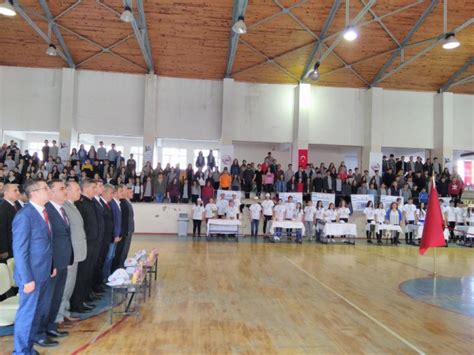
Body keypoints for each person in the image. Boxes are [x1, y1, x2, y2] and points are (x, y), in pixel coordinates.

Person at [12, 179, 55, 353]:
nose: (49, 190)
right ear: (34, 193)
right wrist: (27, 279)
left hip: (43, 272)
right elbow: (20, 251)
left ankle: (28, 348)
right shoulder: (25, 215)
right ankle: (20, 351)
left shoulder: (43, 212)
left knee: (36, 314)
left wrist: (51, 266)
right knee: (27, 315)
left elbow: (46, 244)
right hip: (31, 276)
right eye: (46, 188)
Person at [36, 180, 74, 344]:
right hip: (52, 264)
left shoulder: (61, 209)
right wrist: (51, 263)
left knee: (56, 297)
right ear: (51, 192)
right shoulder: (48, 211)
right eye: (61, 189)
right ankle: (39, 332)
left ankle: (50, 326)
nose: (65, 191)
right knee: (47, 299)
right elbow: (47, 240)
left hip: (63, 261)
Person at [56, 181, 86, 328]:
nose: (79, 192)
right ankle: (58, 317)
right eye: (77, 189)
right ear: (67, 191)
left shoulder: (72, 206)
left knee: (70, 286)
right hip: (69, 253)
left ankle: (65, 312)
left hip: (76, 253)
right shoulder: (64, 207)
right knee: (65, 286)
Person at [70, 178, 99, 313]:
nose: (96, 190)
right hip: (85, 243)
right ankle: (77, 302)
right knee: (82, 274)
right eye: (93, 188)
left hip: (92, 243)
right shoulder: (81, 204)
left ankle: (84, 298)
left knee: (87, 273)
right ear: (86, 189)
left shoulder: (89, 203)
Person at [104, 185, 122, 279]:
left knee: (111, 256)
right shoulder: (112, 204)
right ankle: (106, 276)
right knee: (108, 257)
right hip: (112, 235)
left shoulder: (115, 204)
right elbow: (114, 221)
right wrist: (115, 234)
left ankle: (108, 274)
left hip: (116, 234)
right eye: (111, 193)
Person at [0, 183, 20, 261]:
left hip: (16, 245)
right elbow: (2, 230)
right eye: (15, 191)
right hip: (8, 248)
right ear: (6, 193)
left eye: (18, 190)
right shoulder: (2, 207)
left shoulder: (16, 205)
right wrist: (3, 249)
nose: (18, 193)